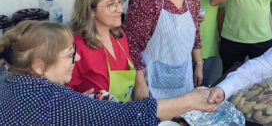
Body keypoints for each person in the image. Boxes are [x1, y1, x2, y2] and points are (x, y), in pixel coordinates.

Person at [0, 20, 216, 125]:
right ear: (39, 66)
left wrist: (80, 103)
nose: (77, 58)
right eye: (69, 54)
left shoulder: (11, 80)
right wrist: (191, 100)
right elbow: (127, 115)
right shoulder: (51, 99)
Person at [125, 0, 203, 100]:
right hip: (152, 83)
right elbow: (131, 44)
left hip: (184, 79)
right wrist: (139, 82)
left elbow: (195, 34)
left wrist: (199, 65)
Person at [67, 0, 135, 102]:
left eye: (119, 1)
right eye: (111, 5)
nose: (120, 9)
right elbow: (63, 95)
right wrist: (79, 102)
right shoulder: (76, 47)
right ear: (91, 10)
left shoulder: (119, 35)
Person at [185, 0, 224, 86]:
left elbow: (221, 11)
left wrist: (220, 36)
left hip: (210, 47)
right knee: (183, 93)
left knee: (202, 89)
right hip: (186, 49)